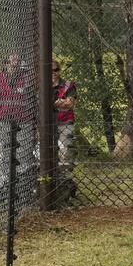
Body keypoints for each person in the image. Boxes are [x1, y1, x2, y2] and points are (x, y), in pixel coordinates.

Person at [0, 52, 35, 192]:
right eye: (13, 61)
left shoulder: (28, 78)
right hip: (1, 120)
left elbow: (33, 99)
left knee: (23, 152)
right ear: (6, 63)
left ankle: (23, 184)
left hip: (24, 120)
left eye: (18, 61)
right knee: (3, 152)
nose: (16, 64)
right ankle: (3, 184)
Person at [51, 60, 77, 199]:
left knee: (65, 151)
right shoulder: (40, 85)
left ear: (60, 70)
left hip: (65, 122)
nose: (53, 73)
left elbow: (70, 103)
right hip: (46, 124)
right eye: (50, 70)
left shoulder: (68, 84)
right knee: (43, 153)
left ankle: (66, 181)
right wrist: (61, 102)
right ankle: (50, 181)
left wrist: (52, 102)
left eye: (56, 70)